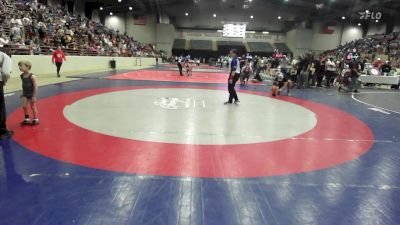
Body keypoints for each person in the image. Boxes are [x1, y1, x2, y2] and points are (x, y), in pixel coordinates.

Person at [18, 61, 39, 126]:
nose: (19, 67)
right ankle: (27, 119)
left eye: (21, 66)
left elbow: (35, 87)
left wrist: (34, 96)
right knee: (24, 106)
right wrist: (23, 93)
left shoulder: (32, 76)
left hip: (31, 94)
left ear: (27, 67)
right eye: (19, 66)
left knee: (33, 106)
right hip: (25, 94)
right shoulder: (21, 76)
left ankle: (36, 119)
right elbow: (24, 85)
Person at [0, 51, 13, 139]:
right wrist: (3, 82)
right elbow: (6, 73)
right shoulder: (4, 56)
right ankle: (2, 131)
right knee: (0, 106)